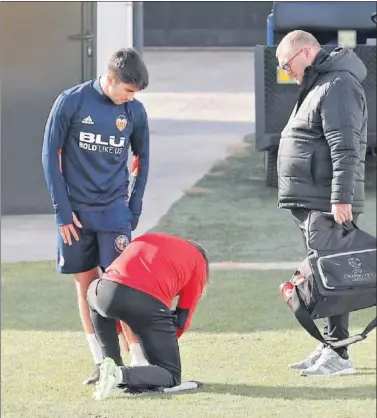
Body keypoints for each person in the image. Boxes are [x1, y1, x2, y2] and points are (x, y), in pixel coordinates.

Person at [42, 48, 150, 385]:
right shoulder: (71, 101)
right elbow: (49, 156)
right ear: (112, 80)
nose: (132, 99)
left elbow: (143, 159)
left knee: (120, 285)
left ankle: (138, 359)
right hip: (75, 215)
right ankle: (101, 361)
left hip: (114, 211)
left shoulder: (134, 111)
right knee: (86, 285)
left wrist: (134, 207)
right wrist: (62, 211)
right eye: (128, 91)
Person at [275, 30, 368, 376]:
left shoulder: (338, 84)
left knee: (334, 276)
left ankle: (340, 356)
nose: (287, 73)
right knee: (323, 274)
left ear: (305, 52)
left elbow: (345, 146)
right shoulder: (321, 82)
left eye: (287, 65)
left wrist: (340, 197)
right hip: (313, 198)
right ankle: (331, 343)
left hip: (327, 201)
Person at [86, 232, 209, 400]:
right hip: (146, 302)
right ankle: (119, 374)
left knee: (95, 297)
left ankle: (109, 363)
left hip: (102, 291)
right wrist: (159, 345)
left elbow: (122, 284)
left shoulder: (152, 237)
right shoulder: (198, 262)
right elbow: (183, 318)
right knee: (171, 375)